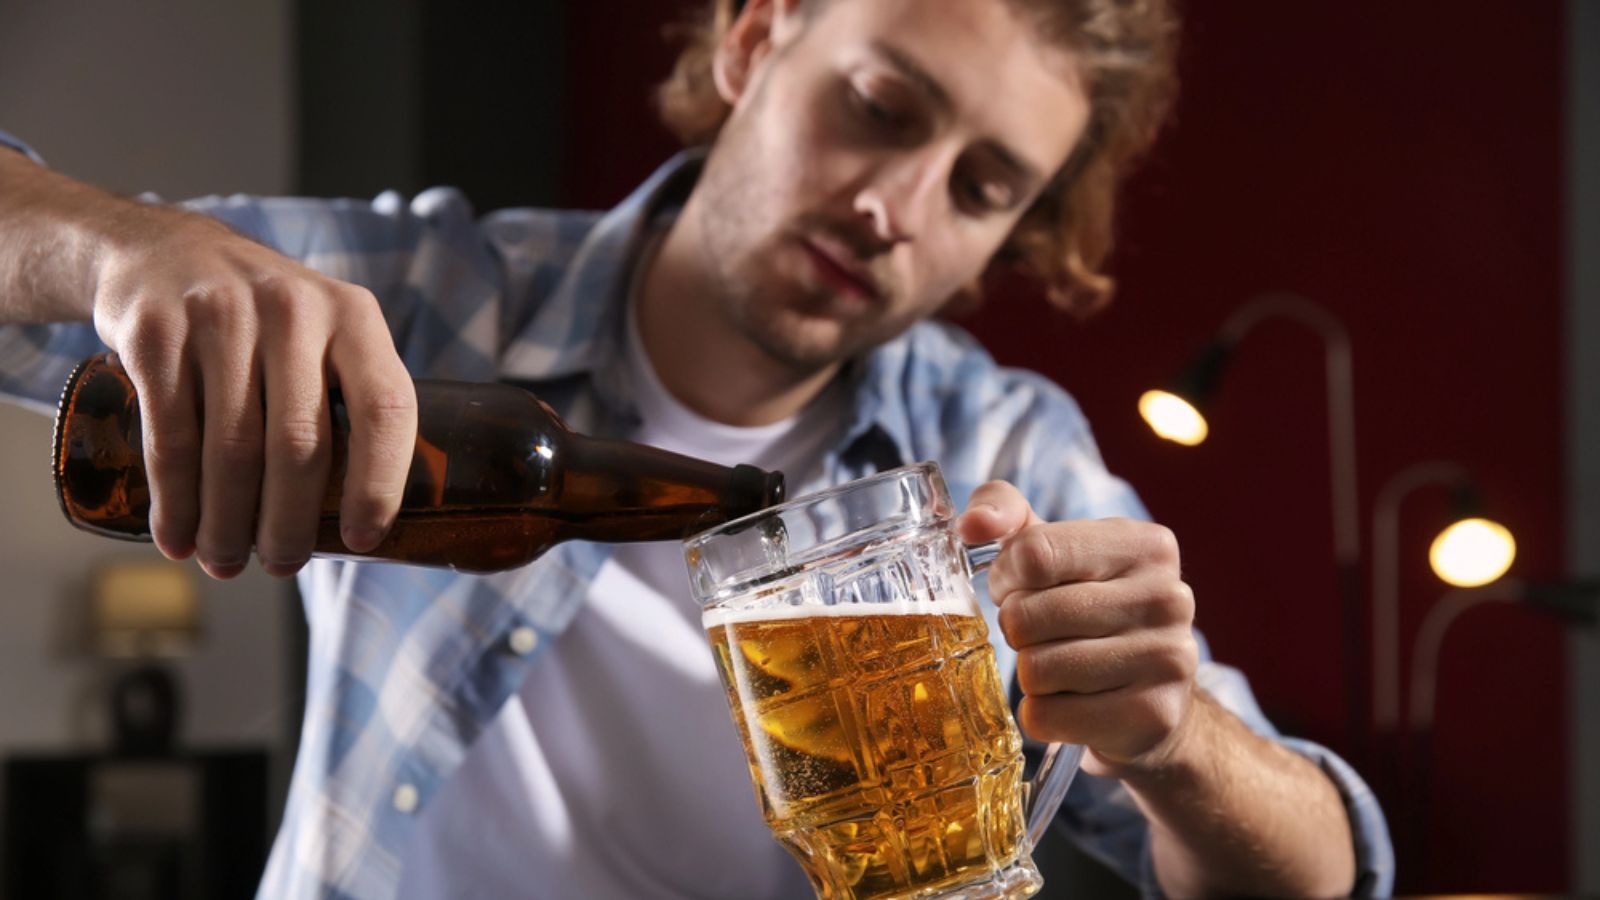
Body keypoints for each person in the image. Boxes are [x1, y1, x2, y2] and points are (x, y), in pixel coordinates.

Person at [0, 0, 1393, 896]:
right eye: (882, 107)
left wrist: (1178, 745)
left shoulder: (996, 449)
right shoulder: (429, 299)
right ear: (752, 43)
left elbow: (1327, 870)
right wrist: (132, 246)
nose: (897, 208)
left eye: (979, 189)